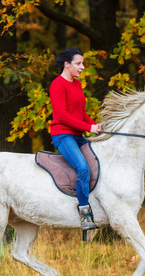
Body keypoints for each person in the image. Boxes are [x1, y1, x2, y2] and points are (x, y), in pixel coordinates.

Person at [49, 48, 100, 233]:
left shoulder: (77, 85)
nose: (82, 67)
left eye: (83, 63)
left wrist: (96, 125)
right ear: (66, 64)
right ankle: (85, 214)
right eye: (78, 63)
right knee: (83, 168)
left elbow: (81, 113)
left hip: (78, 134)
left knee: (97, 165)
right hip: (63, 135)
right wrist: (88, 128)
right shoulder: (57, 85)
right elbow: (62, 115)